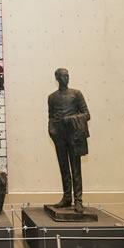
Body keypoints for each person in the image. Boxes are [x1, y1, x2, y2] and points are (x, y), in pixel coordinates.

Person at [48, 68, 90, 213]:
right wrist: (51, 130)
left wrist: (70, 119)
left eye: (67, 76)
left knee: (76, 168)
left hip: (74, 134)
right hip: (59, 135)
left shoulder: (76, 94)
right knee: (64, 167)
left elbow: (86, 114)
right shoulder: (52, 97)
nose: (66, 78)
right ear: (57, 78)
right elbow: (50, 117)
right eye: (63, 76)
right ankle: (67, 198)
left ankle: (78, 200)